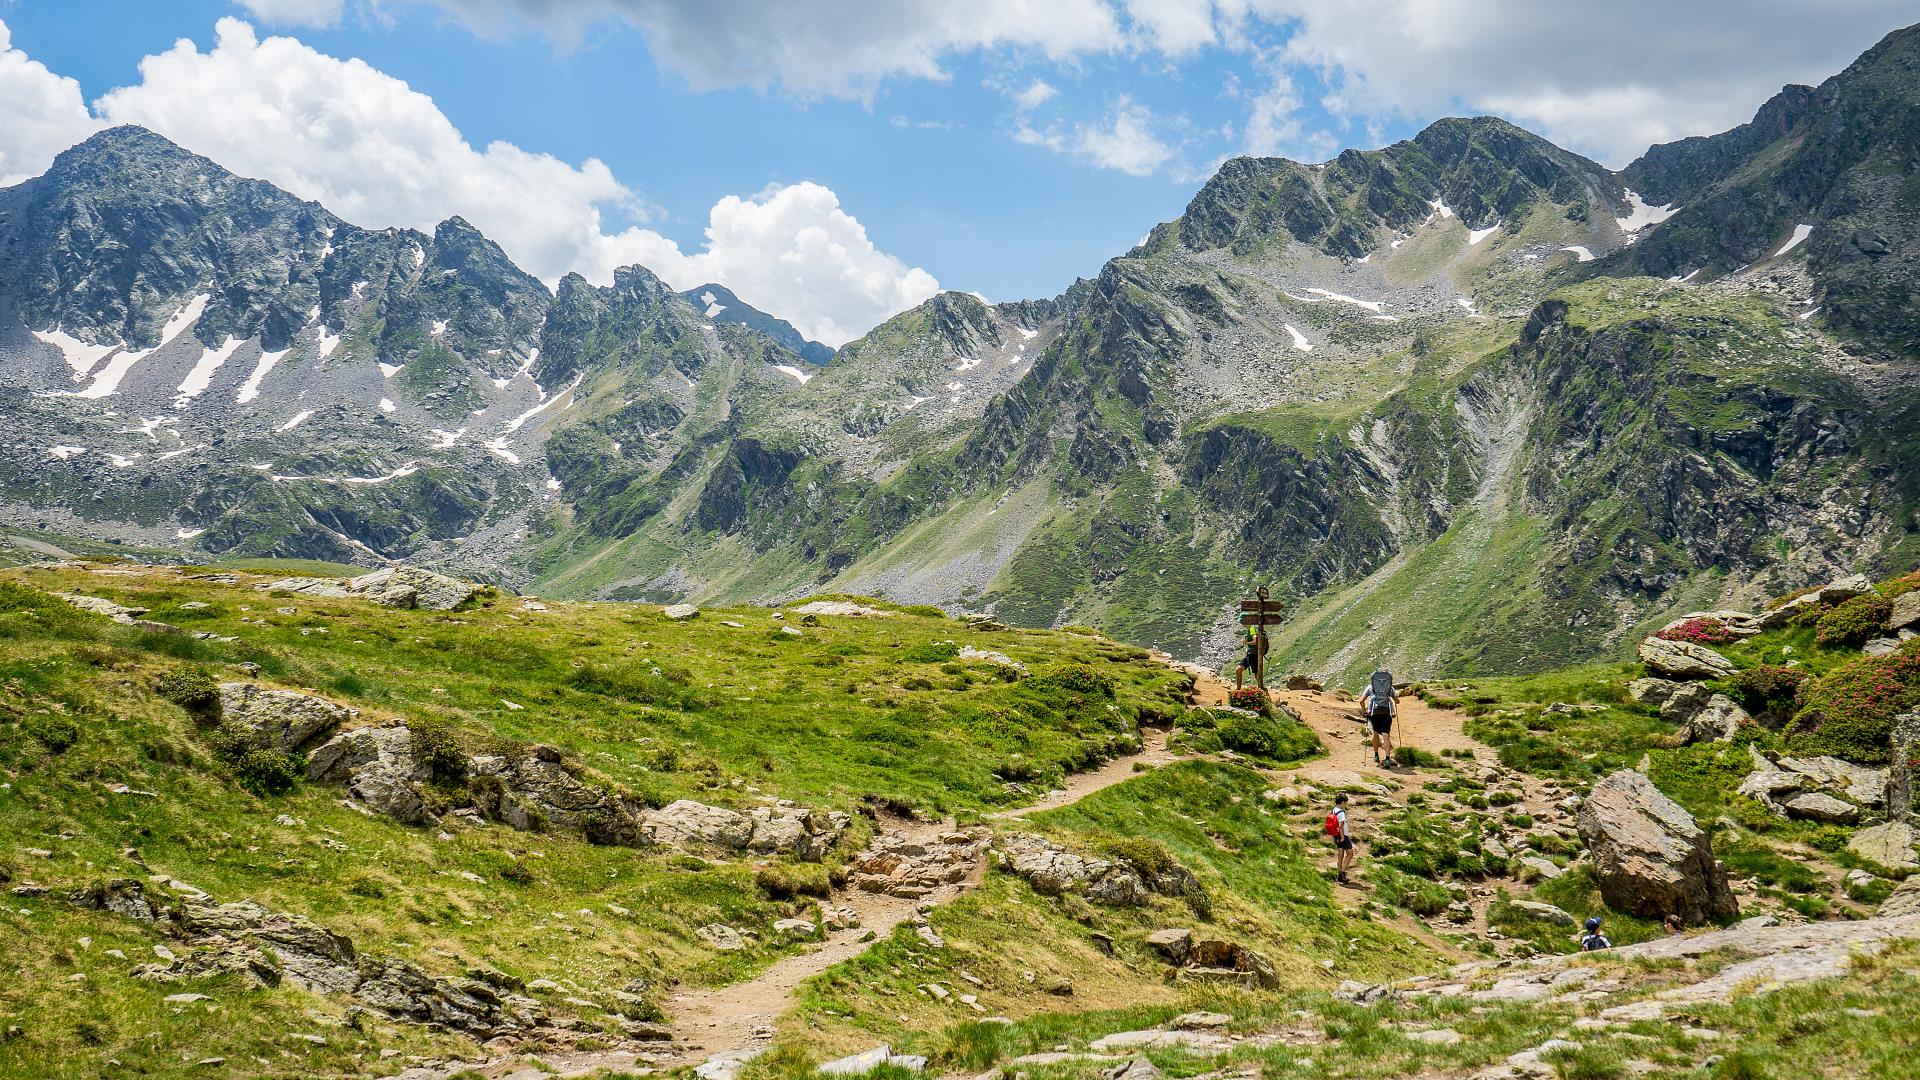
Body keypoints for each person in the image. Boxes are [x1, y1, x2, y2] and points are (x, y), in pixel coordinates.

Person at [1359, 668, 1398, 767]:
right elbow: (1397, 701)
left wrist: (1364, 711)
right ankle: (1387, 759)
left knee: (1375, 734)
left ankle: (1376, 755)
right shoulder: (1389, 687)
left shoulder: (1370, 687)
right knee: (1386, 735)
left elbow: (1361, 701)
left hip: (1374, 713)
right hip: (1386, 713)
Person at [1326, 793, 1355, 884]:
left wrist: (1335, 837)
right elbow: (1341, 825)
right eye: (1345, 803)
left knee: (1340, 855)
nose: (1345, 805)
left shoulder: (1334, 810)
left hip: (1336, 834)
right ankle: (1342, 873)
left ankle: (1339, 874)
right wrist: (1343, 837)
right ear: (1342, 802)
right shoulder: (1341, 812)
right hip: (1343, 835)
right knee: (1350, 854)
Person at [1235, 624, 1268, 692]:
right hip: (1251, 655)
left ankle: (1238, 690)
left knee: (1240, 670)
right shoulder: (1250, 629)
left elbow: (1254, 641)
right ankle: (1238, 690)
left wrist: (1247, 642)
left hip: (1253, 655)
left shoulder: (1252, 629)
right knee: (1240, 670)